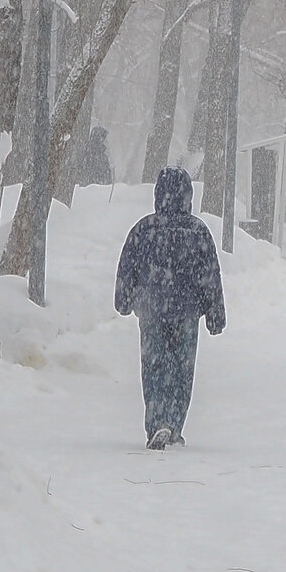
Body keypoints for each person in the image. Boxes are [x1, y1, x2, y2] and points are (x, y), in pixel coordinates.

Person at [114, 166, 225, 449]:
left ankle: (157, 422)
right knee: (181, 370)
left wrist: (124, 301)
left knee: (154, 368)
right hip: (187, 312)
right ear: (188, 196)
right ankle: (174, 425)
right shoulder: (197, 231)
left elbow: (127, 269)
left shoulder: (144, 229)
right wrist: (214, 314)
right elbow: (210, 275)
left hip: (151, 311)